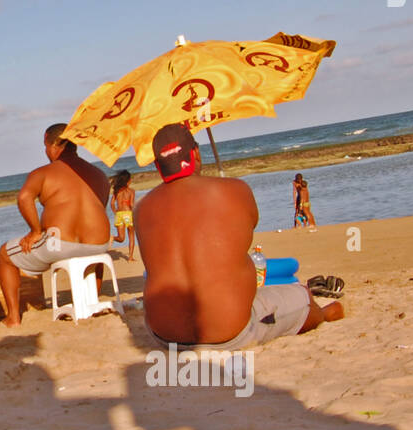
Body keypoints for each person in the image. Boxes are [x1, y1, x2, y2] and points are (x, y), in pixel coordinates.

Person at [134, 124, 344, 349]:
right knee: (301, 295)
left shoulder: (141, 209)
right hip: (231, 332)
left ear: (158, 165)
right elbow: (249, 225)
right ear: (195, 153)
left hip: (164, 336)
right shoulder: (234, 190)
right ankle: (322, 314)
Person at [0, 123, 112, 326]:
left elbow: (24, 198)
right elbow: (100, 205)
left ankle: (13, 317)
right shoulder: (98, 174)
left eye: (45, 146)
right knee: (93, 255)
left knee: (5, 255)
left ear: (52, 145)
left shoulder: (43, 172)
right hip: (99, 245)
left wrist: (35, 231)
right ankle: (91, 301)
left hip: (59, 244)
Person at [110, 170, 137, 260]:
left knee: (121, 238)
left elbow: (112, 203)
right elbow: (132, 205)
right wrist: (136, 213)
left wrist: (115, 212)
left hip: (119, 214)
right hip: (128, 214)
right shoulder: (131, 191)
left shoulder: (116, 191)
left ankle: (112, 237)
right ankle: (130, 257)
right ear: (128, 181)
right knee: (131, 235)